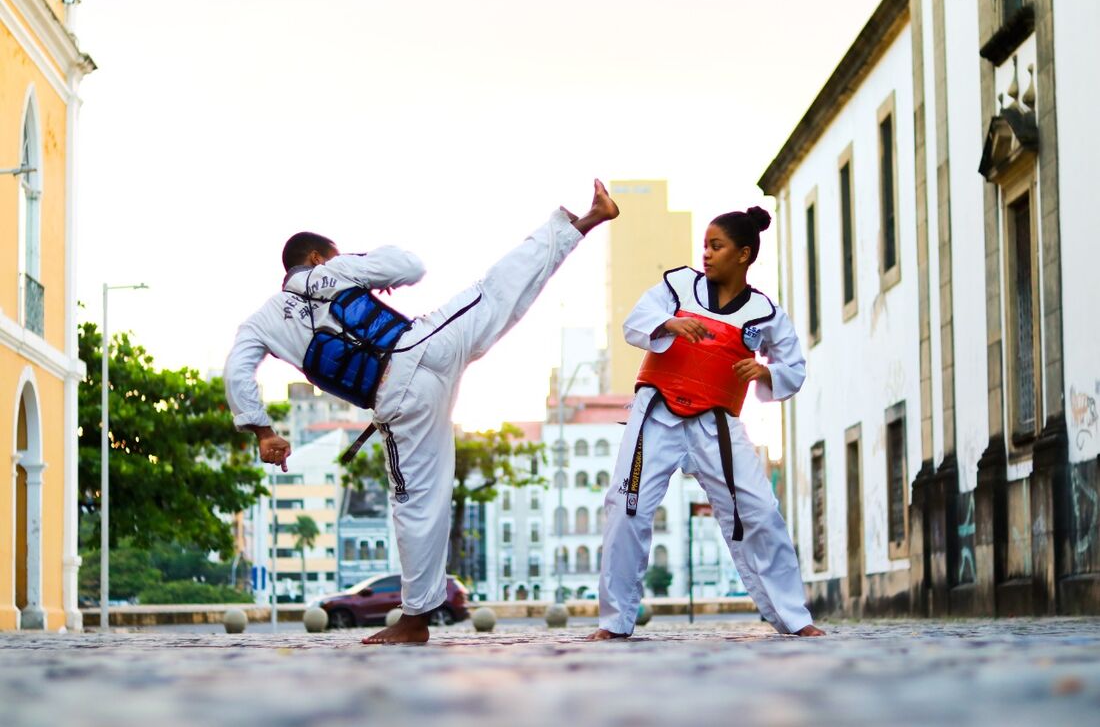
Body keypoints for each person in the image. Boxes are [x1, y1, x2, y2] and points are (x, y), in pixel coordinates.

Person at [225, 180, 619, 644]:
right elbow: (411, 266)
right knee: (495, 292)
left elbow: (237, 371)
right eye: (333, 255)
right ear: (315, 258)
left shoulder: (260, 321)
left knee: (416, 505)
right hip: (424, 344)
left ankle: (414, 621)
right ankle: (585, 222)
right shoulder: (337, 271)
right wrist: (356, 266)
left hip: (396, 400)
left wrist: (263, 432)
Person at [588, 206, 824, 640]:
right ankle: (615, 622)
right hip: (656, 415)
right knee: (626, 508)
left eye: (717, 247)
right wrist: (670, 323)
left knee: (760, 512)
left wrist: (767, 373)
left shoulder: (764, 313)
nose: (707, 255)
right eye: (705, 246)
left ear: (744, 254)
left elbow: (793, 364)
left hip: (716, 424)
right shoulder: (678, 285)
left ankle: (794, 617)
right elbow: (634, 322)